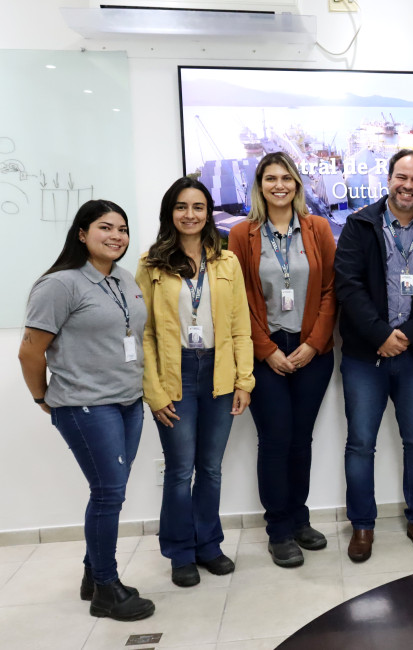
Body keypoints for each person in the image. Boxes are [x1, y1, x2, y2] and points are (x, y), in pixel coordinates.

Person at [18, 200, 155, 621]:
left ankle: (93, 575)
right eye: (104, 227)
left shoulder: (124, 278)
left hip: (128, 401)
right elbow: (30, 351)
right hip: (86, 405)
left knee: (109, 491)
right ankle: (107, 591)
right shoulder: (60, 285)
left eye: (122, 228)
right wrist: (43, 398)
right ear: (82, 233)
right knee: (109, 492)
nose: (116, 235)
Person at [334, 149, 413, 562]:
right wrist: (381, 336)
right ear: (388, 179)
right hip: (365, 358)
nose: (408, 185)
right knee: (360, 444)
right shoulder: (359, 225)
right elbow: (347, 286)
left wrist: (404, 336)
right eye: (401, 177)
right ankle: (362, 527)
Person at [136, 178, 254, 587]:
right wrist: (153, 390)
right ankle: (180, 552)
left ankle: (209, 545)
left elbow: (240, 325)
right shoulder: (151, 263)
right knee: (180, 468)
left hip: (219, 370)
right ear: (170, 212)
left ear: (208, 213)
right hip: (176, 371)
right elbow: (143, 333)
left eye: (199, 207)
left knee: (211, 468)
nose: (190, 214)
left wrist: (245, 379)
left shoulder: (226, 261)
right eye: (182, 207)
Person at [230, 152, 337, 568]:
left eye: (286, 178)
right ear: (259, 185)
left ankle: (299, 519)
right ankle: (278, 529)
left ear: (297, 184)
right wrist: (267, 350)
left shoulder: (319, 228)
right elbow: (238, 301)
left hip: (312, 350)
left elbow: (331, 289)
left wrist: (314, 342)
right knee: (275, 440)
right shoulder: (242, 234)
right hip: (266, 351)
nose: (280, 185)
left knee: (300, 440)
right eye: (271, 178)